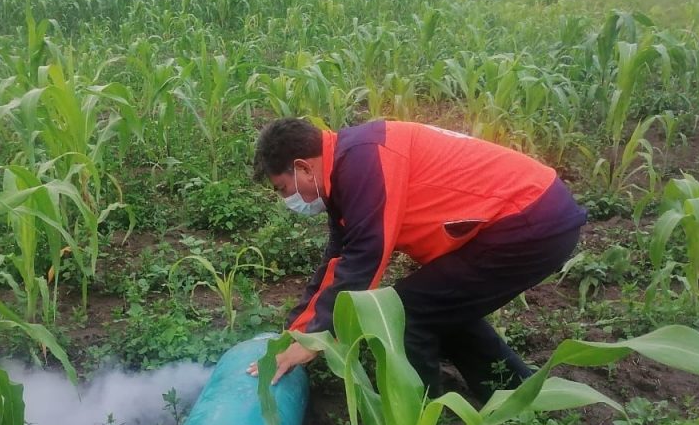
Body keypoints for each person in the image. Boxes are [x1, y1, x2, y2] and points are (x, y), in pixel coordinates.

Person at [248, 118, 587, 400]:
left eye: (283, 189)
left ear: (304, 167)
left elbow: (366, 256)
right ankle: (517, 396)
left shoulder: (364, 162)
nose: (288, 200)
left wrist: (315, 338)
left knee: (405, 314)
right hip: (527, 215)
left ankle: (418, 422)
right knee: (441, 306)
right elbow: (338, 261)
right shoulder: (346, 166)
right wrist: (296, 333)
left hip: (530, 220)